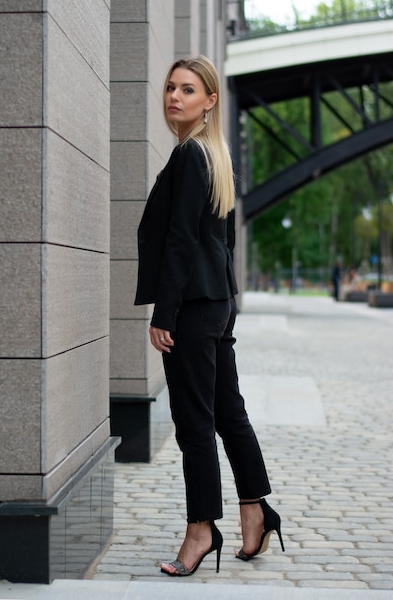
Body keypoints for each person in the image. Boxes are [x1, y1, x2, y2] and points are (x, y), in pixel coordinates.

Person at [134, 56, 284, 577]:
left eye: (189, 89)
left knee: (194, 423)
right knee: (227, 414)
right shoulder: (214, 155)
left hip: (195, 308)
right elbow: (225, 242)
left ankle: (201, 529)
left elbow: (182, 241)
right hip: (216, 304)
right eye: (171, 87)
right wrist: (229, 306)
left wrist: (164, 311)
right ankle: (255, 511)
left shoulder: (191, 156)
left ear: (210, 100)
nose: (175, 96)